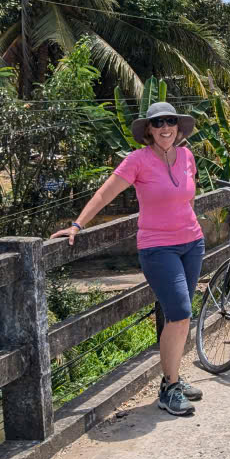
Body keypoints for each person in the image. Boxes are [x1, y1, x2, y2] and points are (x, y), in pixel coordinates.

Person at [51, 102, 205, 417]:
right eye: (158, 122)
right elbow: (104, 194)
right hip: (158, 248)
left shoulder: (187, 156)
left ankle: (173, 376)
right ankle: (169, 388)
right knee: (179, 314)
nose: (166, 128)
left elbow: (187, 195)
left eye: (171, 122)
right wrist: (77, 224)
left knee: (181, 316)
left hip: (193, 243)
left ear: (178, 126)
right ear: (148, 129)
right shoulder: (138, 160)